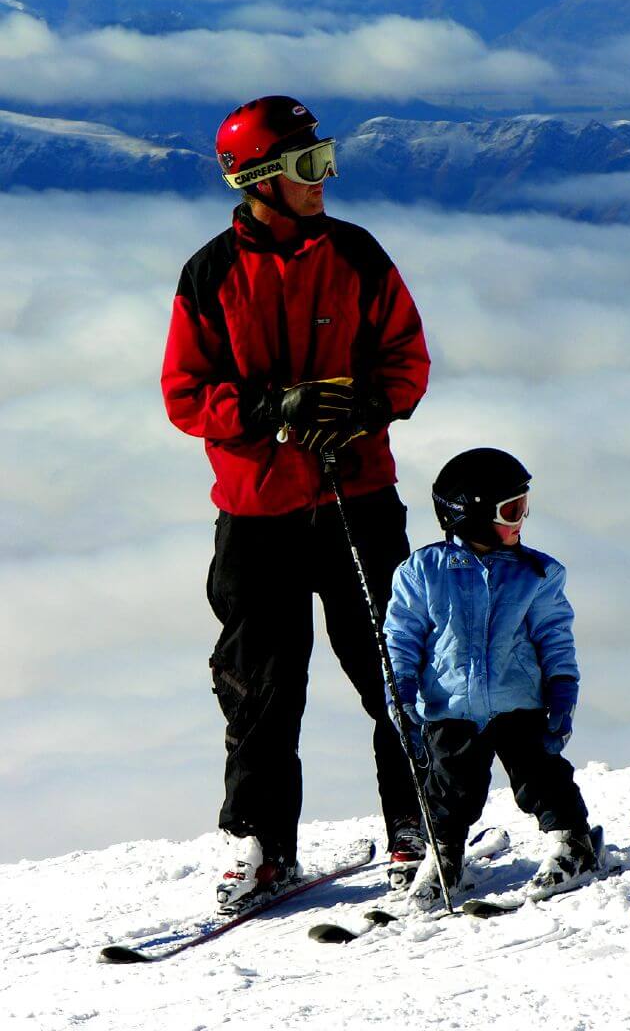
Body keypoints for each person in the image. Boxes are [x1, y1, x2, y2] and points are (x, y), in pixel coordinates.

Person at [161, 95, 431, 912]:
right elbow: (184, 393)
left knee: (395, 671)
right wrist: (267, 413)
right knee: (258, 685)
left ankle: (417, 829)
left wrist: (364, 409)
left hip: (357, 496)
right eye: (309, 166)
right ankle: (260, 843)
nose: (326, 179)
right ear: (259, 180)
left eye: (327, 160)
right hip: (258, 515)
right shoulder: (211, 274)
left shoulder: (356, 254)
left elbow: (406, 358)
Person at [383, 447, 601, 907]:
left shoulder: (536, 573)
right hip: (449, 706)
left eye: (524, 506)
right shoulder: (421, 572)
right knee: (448, 789)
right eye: (511, 510)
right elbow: (400, 637)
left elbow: (555, 636)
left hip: (518, 701)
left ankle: (571, 841)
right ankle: (444, 855)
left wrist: (563, 687)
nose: (521, 519)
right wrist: (400, 691)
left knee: (541, 775)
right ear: (472, 515)